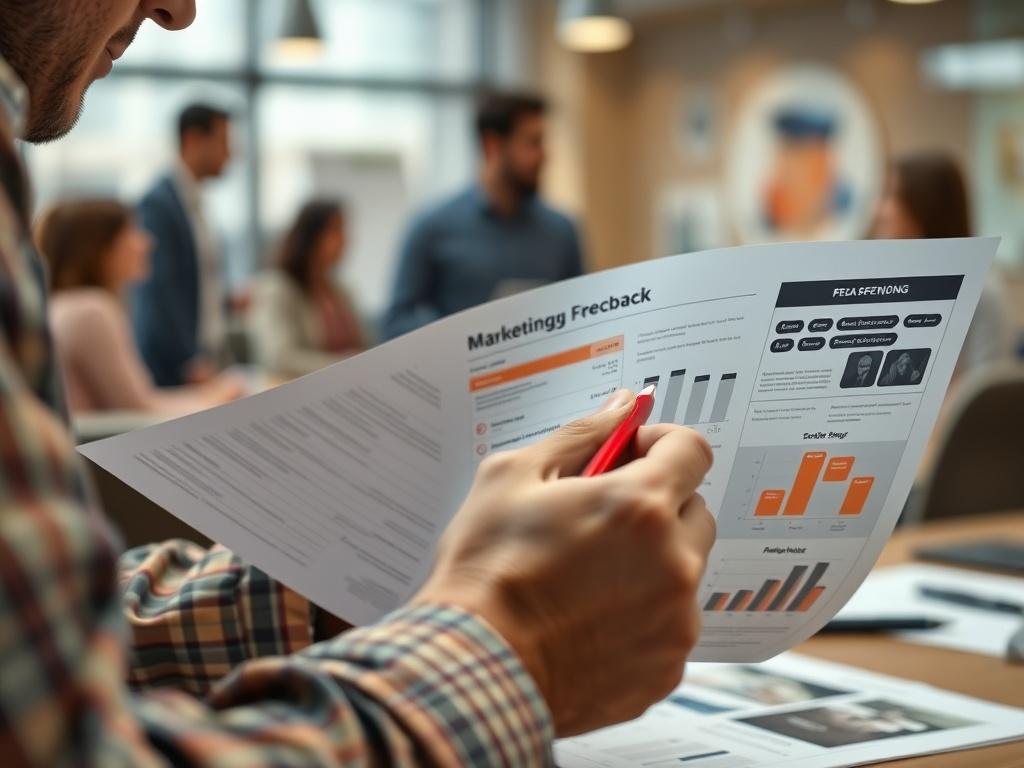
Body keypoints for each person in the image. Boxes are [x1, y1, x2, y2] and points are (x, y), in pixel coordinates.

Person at [0, 2, 715, 765]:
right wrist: (513, 638)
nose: (180, 10)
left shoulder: (559, 228)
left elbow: (33, 646)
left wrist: (355, 581)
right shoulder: (437, 226)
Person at [383, 91, 585, 339]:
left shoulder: (562, 230)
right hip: (459, 374)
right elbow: (396, 321)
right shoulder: (431, 227)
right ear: (492, 145)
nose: (544, 156)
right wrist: (460, 337)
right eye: (533, 143)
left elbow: (586, 314)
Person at [38, 199, 243, 415]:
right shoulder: (92, 310)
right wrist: (220, 401)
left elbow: (140, 400)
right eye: (131, 232)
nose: (147, 242)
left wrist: (210, 395)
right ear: (101, 248)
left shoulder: (64, 305)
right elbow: (140, 410)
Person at [873, 152, 1014, 380]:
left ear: (924, 207)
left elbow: (983, 394)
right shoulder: (890, 286)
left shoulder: (982, 290)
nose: (878, 210)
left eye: (891, 196)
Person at [132, 101, 233, 387]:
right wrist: (187, 361)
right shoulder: (159, 203)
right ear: (193, 139)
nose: (230, 154)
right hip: (177, 370)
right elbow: (159, 289)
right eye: (223, 142)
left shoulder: (195, 203)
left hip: (204, 360)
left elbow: (195, 284)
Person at [249, 200, 364, 378]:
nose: (345, 240)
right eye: (335, 231)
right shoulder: (278, 288)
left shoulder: (342, 291)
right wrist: (345, 365)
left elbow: (366, 346)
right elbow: (280, 358)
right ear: (311, 236)